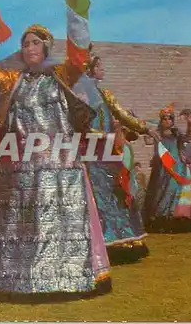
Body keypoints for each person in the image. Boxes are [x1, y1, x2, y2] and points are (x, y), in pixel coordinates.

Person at [0, 0, 112, 297]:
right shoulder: (12, 79)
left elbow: (80, 56)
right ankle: (14, 280)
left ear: (45, 47)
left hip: (58, 167)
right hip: (19, 169)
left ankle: (64, 279)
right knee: (22, 225)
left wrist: (77, 17)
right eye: (25, 43)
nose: (29, 47)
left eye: (35, 42)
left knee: (57, 224)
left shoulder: (61, 74)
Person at [72, 48, 159, 259]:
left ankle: (124, 240)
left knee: (118, 192)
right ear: (90, 70)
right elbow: (78, 124)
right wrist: (99, 135)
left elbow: (121, 114)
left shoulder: (105, 95)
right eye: (100, 66)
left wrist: (144, 127)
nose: (104, 70)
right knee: (97, 194)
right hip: (90, 152)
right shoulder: (79, 95)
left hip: (108, 152)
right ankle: (103, 243)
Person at [144, 104, 191, 232]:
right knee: (160, 191)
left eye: (170, 118)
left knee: (173, 190)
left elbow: (188, 138)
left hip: (176, 166)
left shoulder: (176, 133)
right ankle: (158, 218)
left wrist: (190, 125)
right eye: (164, 118)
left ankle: (169, 218)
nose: (167, 121)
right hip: (162, 166)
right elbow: (147, 140)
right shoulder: (157, 133)